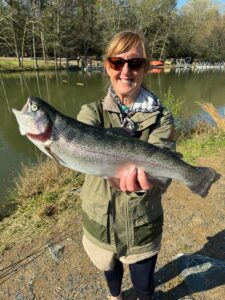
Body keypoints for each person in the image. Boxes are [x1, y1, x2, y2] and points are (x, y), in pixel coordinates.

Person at [77, 30, 176, 300]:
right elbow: (79, 153)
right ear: (107, 67)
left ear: (146, 67)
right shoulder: (90, 113)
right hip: (101, 222)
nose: (125, 70)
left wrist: (149, 183)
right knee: (111, 273)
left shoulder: (162, 118)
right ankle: (115, 296)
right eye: (116, 62)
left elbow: (164, 161)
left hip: (142, 225)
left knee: (144, 285)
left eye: (134, 63)